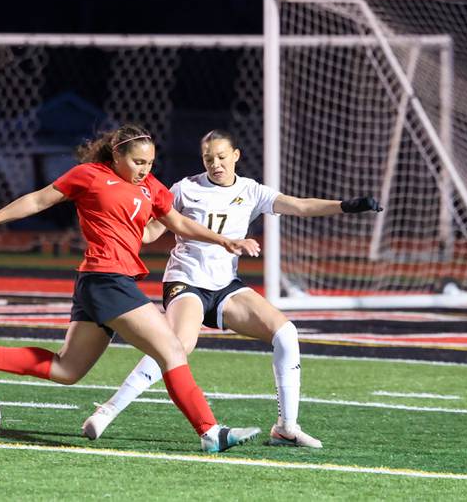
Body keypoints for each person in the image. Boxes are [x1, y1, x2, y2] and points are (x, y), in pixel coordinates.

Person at [0, 124, 263, 453]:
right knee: (172, 351)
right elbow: (39, 199)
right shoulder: (89, 175)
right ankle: (210, 431)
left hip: (100, 284)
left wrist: (225, 240)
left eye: (150, 162)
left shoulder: (150, 187)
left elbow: (179, 223)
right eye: (138, 162)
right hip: (107, 279)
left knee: (67, 369)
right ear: (117, 155)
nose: (145, 169)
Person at [82, 129, 382, 448]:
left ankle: (286, 428)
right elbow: (151, 231)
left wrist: (347, 206)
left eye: (222, 157)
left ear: (235, 156)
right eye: (209, 158)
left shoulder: (251, 191)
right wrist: (114, 222)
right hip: (186, 281)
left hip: (225, 285)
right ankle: (108, 410)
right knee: (178, 345)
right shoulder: (185, 188)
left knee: (286, 333)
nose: (216, 164)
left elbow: (300, 206)